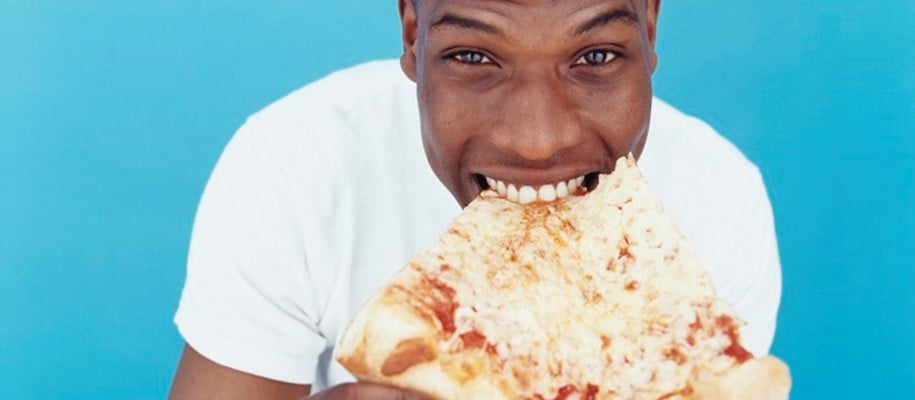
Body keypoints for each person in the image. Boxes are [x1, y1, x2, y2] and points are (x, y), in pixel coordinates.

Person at [168, 0, 782, 399]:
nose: (538, 143)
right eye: (473, 57)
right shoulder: (294, 167)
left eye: (594, 57)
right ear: (413, 34)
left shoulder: (714, 195)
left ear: (649, 28)